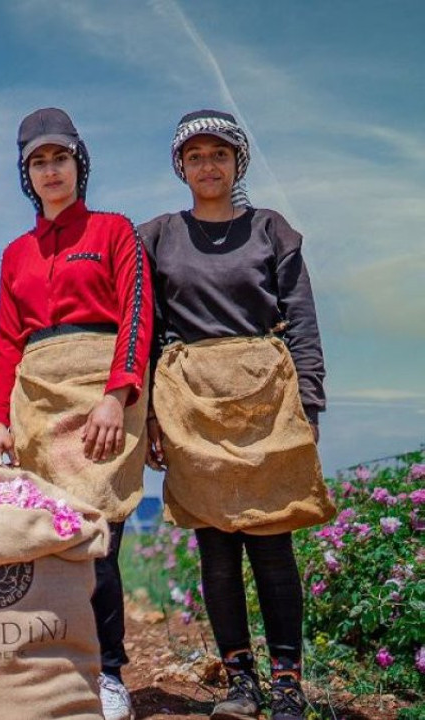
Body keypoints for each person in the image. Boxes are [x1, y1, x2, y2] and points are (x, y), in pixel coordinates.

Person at [139, 109, 334, 720]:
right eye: (195, 156)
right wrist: (147, 414)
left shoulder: (271, 229)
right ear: (180, 166)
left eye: (218, 154)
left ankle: (287, 683)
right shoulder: (158, 236)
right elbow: (145, 333)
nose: (207, 165)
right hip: (190, 401)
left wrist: (310, 402)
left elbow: (301, 319)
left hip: (267, 399)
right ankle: (239, 682)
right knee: (216, 548)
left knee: (272, 542)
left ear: (237, 162)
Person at [0, 108, 152, 720]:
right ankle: (58, 667)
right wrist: (0, 416)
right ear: (26, 174)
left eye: (59, 158)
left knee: (100, 534)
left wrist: (118, 394)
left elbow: (138, 317)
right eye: (38, 161)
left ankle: (108, 674)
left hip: (101, 394)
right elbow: (7, 340)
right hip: (36, 396)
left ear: (79, 163)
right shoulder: (14, 253)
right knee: (48, 538)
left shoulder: (114, 231)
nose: (50, 171)